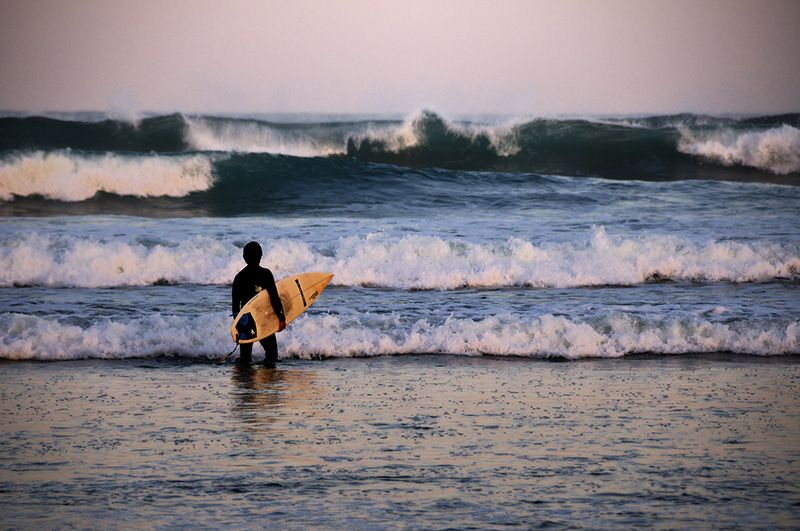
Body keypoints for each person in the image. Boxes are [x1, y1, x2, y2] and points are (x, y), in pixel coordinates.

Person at [231, 241, 286, 366]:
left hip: (245, 321)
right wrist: (281, 318)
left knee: (245, 359)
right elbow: (274, 299)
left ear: (244, 258)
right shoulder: (266, 274)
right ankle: (267, 380)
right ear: (261, 256)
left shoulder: (239, 277)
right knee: (271, 356)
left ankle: (245, 383)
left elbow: (235, 307)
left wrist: (237, 326)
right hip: (263, 319)